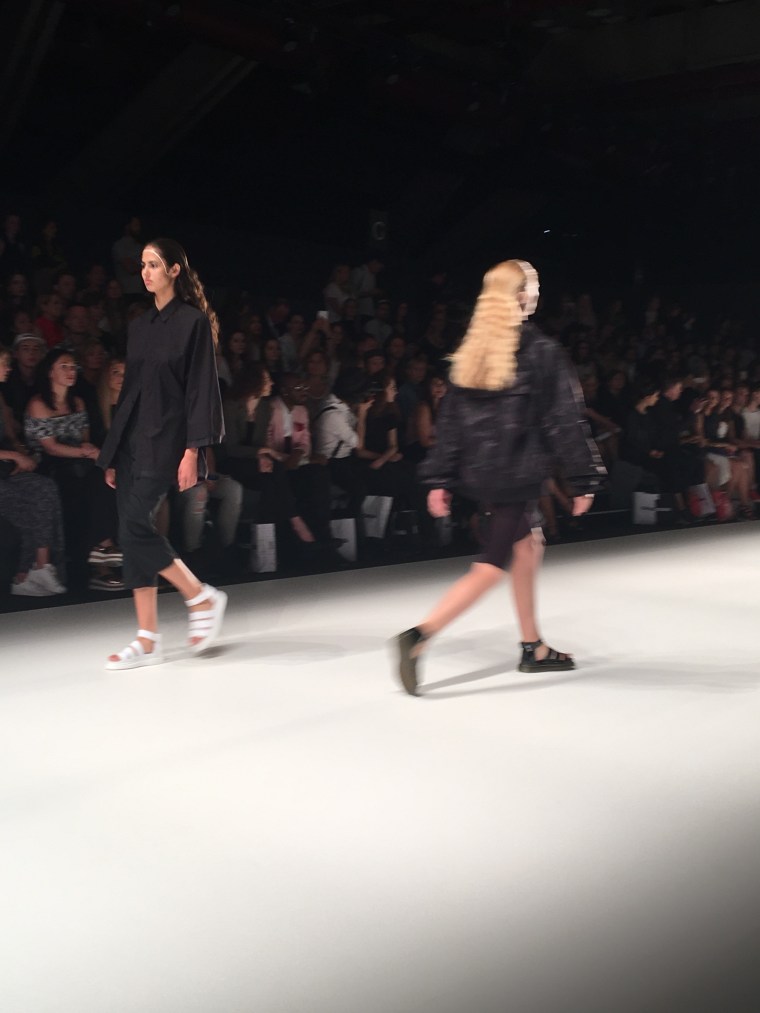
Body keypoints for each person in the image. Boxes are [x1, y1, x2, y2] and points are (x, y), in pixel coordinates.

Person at [393, 260, 605, 696]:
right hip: (516, 473)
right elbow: (564, 420)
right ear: (523, 295)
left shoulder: (474, 348)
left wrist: (441, 478)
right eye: (535, 284)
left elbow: (450, 422)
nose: (538, 291)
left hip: (480, 472)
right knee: (492, 564)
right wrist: (584, 478)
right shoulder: (541, 351)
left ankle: (533, 646)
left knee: (529, 545)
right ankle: (419, 636)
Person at [97, 238, 227, 670]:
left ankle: (199, 596)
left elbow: (200, 391)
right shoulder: (139, 326)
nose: (145, 272)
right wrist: (113, 451)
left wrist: (193, 451)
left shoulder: (193, 323)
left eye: (154, 264)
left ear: (174, 270)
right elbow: (129, 392)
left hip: (167, 441)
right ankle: (147, 638)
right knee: (130, 532)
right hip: (132, 442)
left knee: (134, 525)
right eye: (142, 265)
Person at [0, 346, 66, 596]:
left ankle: (41, 566)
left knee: (43, 488)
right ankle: (23, 573)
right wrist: (15, 456)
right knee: (23, 503)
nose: (8, 368)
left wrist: (21, 454)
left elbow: (10, 436)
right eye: (3, 362)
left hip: (5, 469)